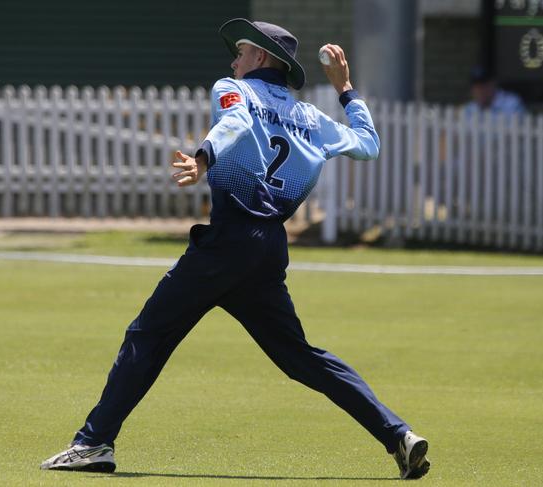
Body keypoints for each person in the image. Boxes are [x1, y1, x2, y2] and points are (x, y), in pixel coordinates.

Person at [40, 18, 430, 480]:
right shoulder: (312, 118)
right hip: (267, 251)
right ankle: (398, 435)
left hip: (227, 245)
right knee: (301, 358)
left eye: (241, 52)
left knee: (148, 336)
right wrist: (346, 89)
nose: (234, 60)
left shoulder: (234, 88)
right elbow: (369, 145)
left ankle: (92, 443)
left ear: (261, 58)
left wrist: (204, 157)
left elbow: (237, 121)